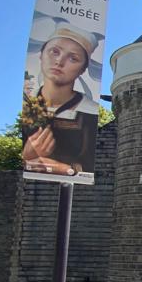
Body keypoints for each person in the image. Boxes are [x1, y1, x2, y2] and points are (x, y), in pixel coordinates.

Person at [21, 24, 98, 176]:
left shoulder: (90, 112)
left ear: (83, 69)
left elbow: (90, 165)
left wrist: (66, 169)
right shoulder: (27, 106)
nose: (59, 62)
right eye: (54, 52)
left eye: (73, 58)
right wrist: (26, 157)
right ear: (41, 55)